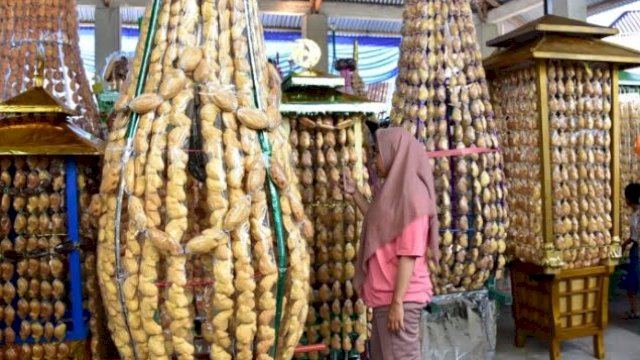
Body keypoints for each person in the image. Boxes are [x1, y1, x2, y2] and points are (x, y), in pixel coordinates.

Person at [341, 127, 440, 360]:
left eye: (377, 153)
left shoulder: (412, 196)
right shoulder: (396, 191)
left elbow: (409, 254)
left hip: (400, 298)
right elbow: (379, 222)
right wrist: (354, 193)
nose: (374, 160)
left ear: (394, 153)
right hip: (387, 297)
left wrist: (398, 303)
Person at [621, 183, 640, 319]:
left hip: (637, 251)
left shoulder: (635, 215)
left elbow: (634, 238)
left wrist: (623, 245)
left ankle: (635, 310)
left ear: (629, 199)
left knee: (631, 282)